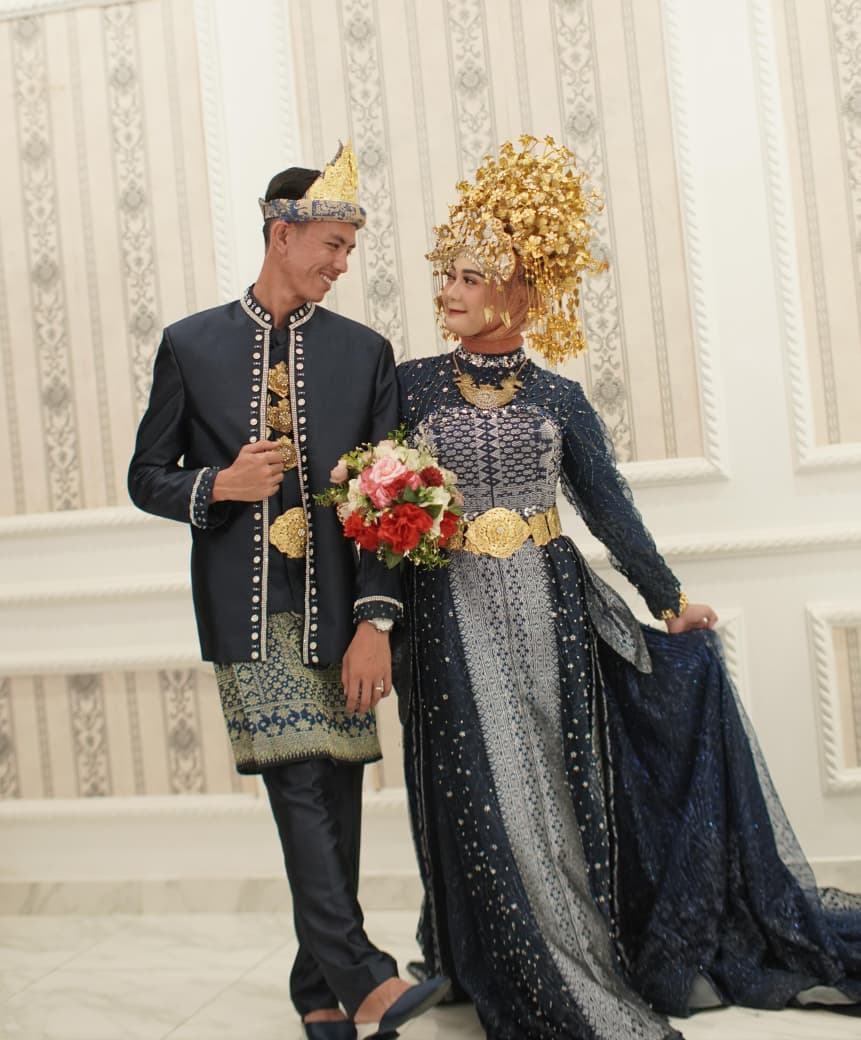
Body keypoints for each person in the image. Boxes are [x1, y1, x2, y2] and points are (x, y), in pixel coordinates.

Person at [396, 136, 861, 1039]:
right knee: (478, 787)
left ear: (519, 294)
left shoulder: (559, 400)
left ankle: (579, 950)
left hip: (553, 610)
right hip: (448, 615)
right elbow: (379, 503)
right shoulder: (407, 387)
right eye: (445, 274)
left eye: (469, 277)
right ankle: (495, 956)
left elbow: (608, 509)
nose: (447, 290)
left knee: (557, 780)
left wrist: (667, 601)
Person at [128, 144, 449, 1040]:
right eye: (332, 245)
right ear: (282, 234)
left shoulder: (364, 353)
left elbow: (391, 496)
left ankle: (316, 988)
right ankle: (365, 976)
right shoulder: (190, 345)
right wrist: (218, 485)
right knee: (300, 783)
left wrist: (375, 622)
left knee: (334, 788)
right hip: (246, 611)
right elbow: (145, 475)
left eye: (349, 248)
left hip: (341, 611)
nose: (342, 264)